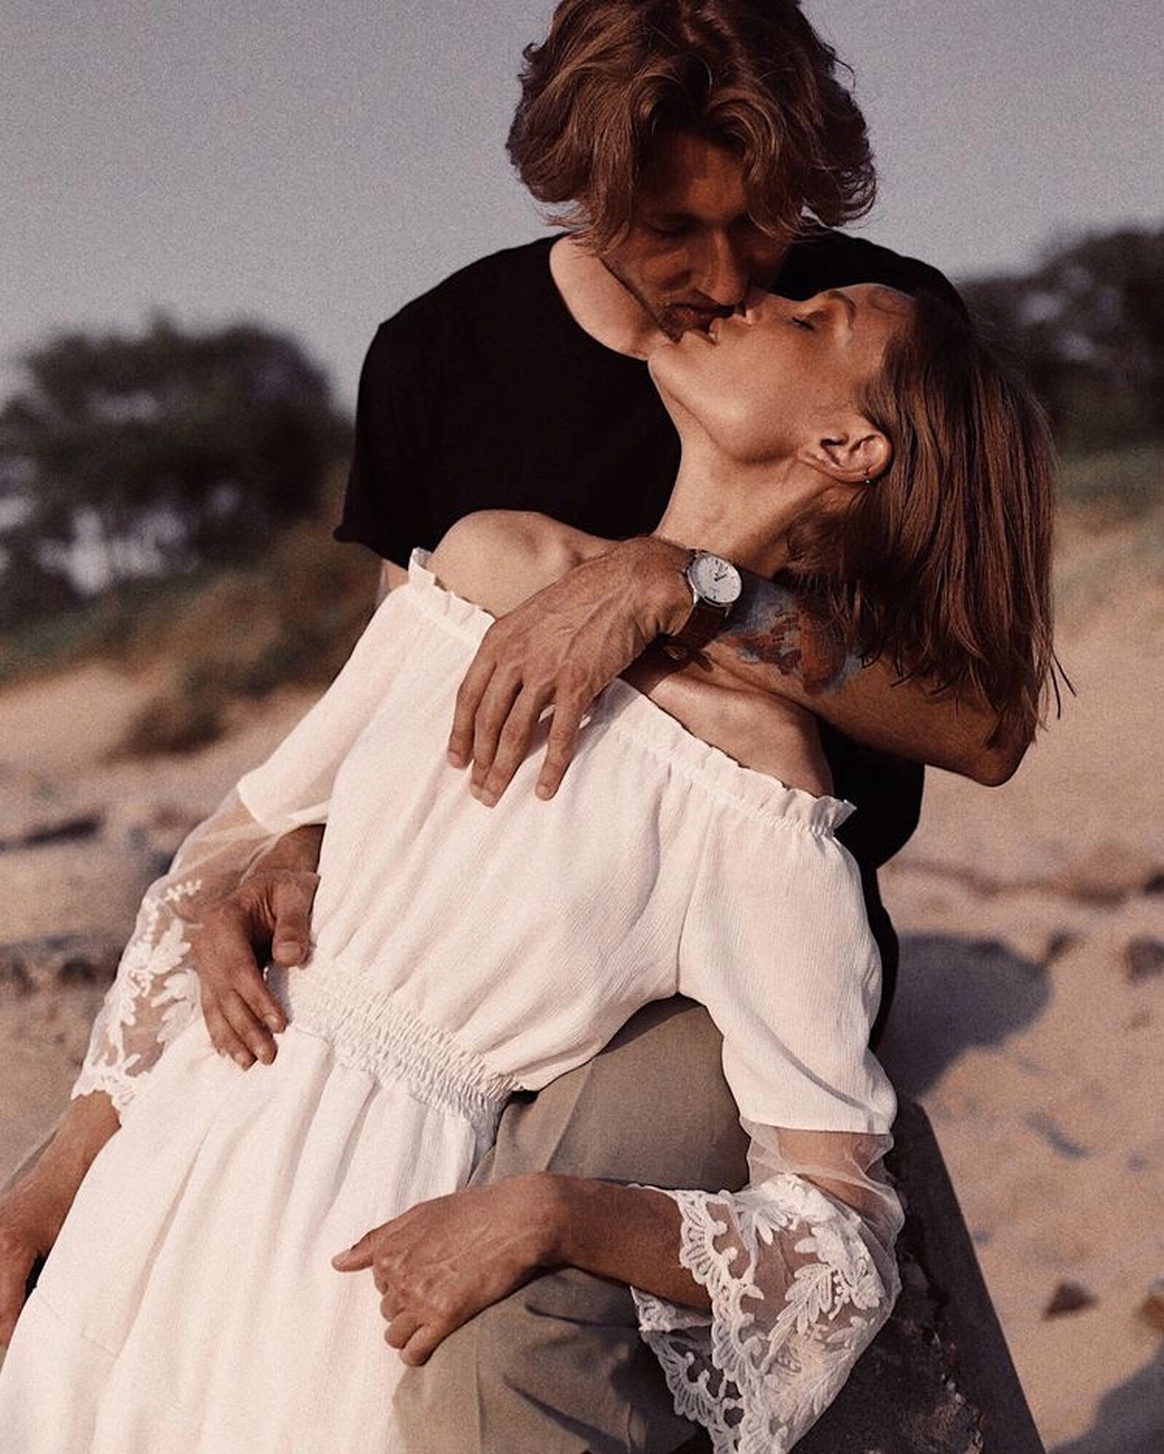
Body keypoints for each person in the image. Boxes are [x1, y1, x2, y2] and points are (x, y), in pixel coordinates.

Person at [0, 2, 1041, 1446]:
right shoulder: (452, 393)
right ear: (585, 188)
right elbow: (335, 767)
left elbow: (986, 727)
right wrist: (287, 864)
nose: (733, 278)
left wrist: (689, 586)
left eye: (765, 223)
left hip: (701, 965)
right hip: (294, 1072)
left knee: (508, 1339)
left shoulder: (880, 342)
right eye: (674, 230)